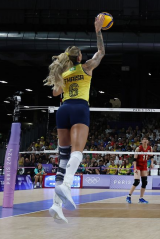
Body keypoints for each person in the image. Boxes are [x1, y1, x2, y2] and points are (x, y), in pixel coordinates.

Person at [44, 14, 106, 224]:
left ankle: (56, 205)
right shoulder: (86, 67)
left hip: (63, 110)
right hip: (79, 107)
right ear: (79, 58)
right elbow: (101, 52)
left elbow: (55, 93)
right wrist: (98, 31)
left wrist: (62, 75)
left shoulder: (64, 72)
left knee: (63, 158)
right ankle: (67, 185)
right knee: (77, 153)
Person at [126, 137, 154, 204]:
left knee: (144, 182)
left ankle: (141, 198)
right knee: (137, 182)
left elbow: (152, 157)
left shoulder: (150, 148)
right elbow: (134, 160)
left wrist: (152, 163)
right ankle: (128, 196)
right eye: (143, 139)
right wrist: (135, 168)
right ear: (141, 141)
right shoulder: (138, 148)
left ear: (147, 141)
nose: (145, 141)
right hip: (138, 166)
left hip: (144, 166)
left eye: (146, 140)